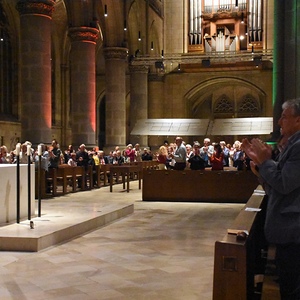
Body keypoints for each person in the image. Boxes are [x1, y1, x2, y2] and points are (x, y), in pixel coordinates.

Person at [242, 98, 300, 299]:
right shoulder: (293, 145)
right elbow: (277, 189)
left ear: (298, 121)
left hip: (294, 233)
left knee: (292, 290)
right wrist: (260, 170)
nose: (279, 122)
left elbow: (284, 183)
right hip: (288, 233)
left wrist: (266, 161)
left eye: (284, 117)